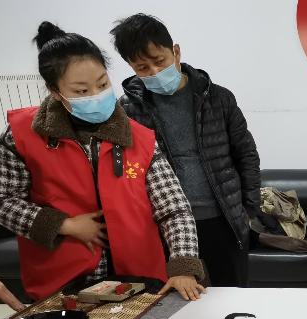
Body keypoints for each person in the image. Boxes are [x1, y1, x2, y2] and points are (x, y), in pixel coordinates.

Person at [0, 22, 205, 302]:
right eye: (82, 91)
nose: (96, 94)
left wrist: (183, 265)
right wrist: (64, 225)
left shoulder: (138, 138)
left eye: (102, 83)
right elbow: (2, 200)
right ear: (55, 91)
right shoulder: (22, 135)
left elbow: (174, 208)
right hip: (63, 286)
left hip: (137, 282)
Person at [110, 14, 261, 287]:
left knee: (233, 294)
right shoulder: (127, 110)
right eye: (143, 68)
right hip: (168, 226)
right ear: (131, 66)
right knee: (180, 301)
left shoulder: (217, 98)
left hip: (223, 218)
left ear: (176, 52)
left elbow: (246, 154)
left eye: (160, 61)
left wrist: (248, 209)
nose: (154, 72)